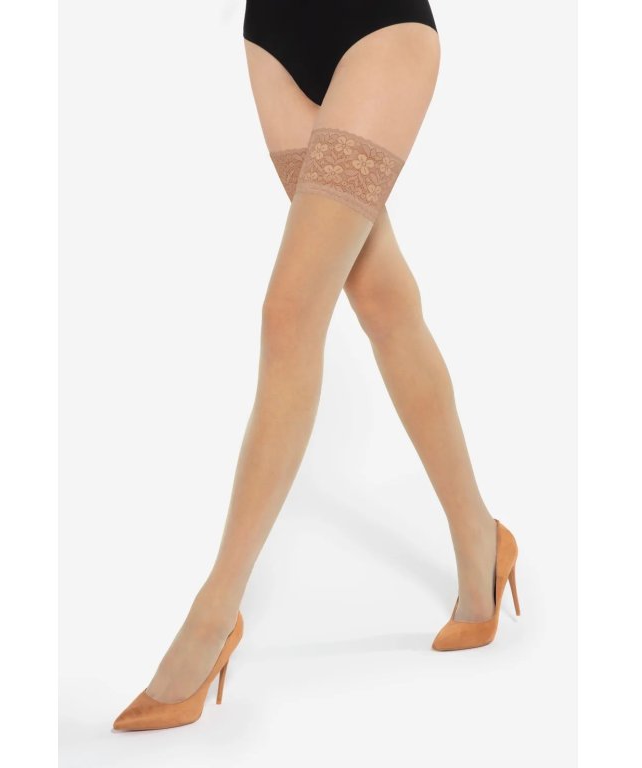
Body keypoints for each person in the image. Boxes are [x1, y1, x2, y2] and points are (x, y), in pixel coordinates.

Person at [113, 0, 520, 732]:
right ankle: (481, 540)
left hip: (380, 27)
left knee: (289, 311)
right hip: (273, 37)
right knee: (379, 297)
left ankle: (213, 615)